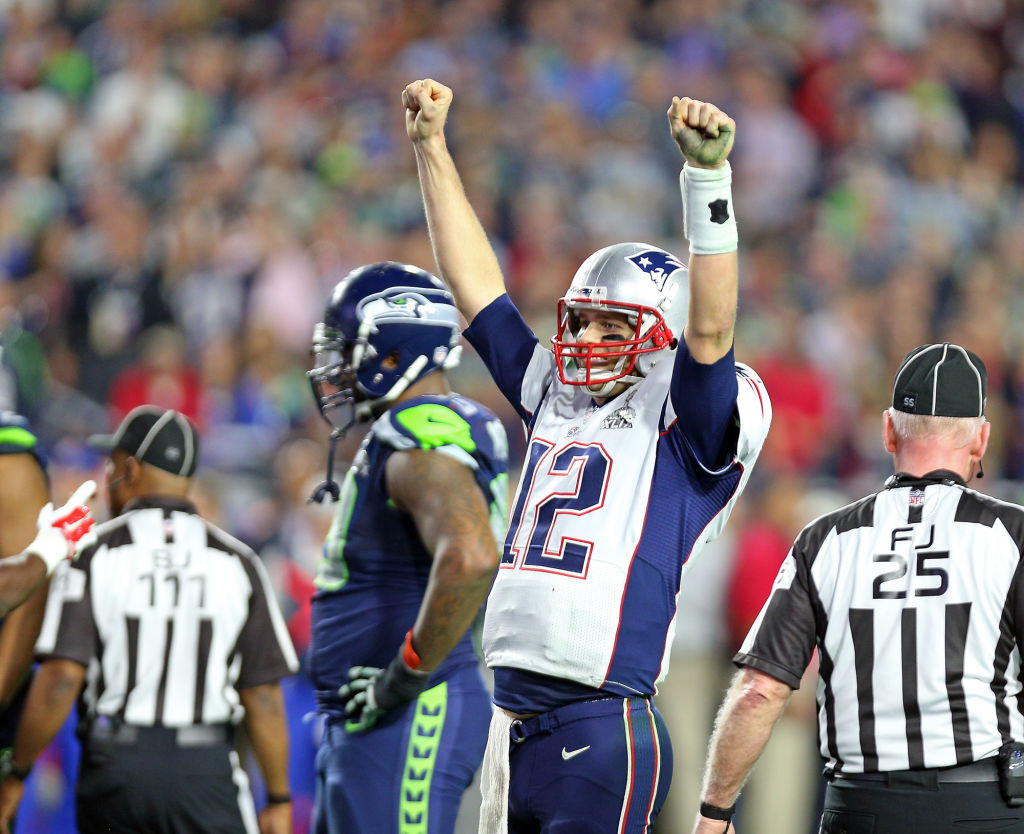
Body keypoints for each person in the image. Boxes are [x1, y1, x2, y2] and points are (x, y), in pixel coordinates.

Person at [403, 78, 772, 833]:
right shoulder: (558, 395)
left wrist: (707, 179)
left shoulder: (687, 418)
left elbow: (711, 332)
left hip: (600, 727)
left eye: (613, 328)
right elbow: (476, 293)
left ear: (659, 335)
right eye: (584, 323)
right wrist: (430, 149)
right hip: (511, 730)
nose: (587, 344)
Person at [691, 343, 1024, 834]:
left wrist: (714, 812)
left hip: (863, 807)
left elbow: (759, 691)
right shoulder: (1012, 535)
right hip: (985, 804)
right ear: (981, 439)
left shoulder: (825, 539)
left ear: (888, 431)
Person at [0, 405, 299, 834]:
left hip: (117, 770)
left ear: (130, 469)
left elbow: (62, 677)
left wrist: (17, 773)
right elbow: (263, 696)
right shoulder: (239, 561)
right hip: (206, 769)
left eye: (111, 464)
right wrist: (278, 798)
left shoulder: (92, 552)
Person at [306, 261, 509, 834]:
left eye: (346, 350)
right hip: (378, 716)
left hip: (413, 710)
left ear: (389, 351)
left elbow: (470, 556)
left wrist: (405, 676)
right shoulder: (413, 428)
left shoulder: (421, 432)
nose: (334, 369)